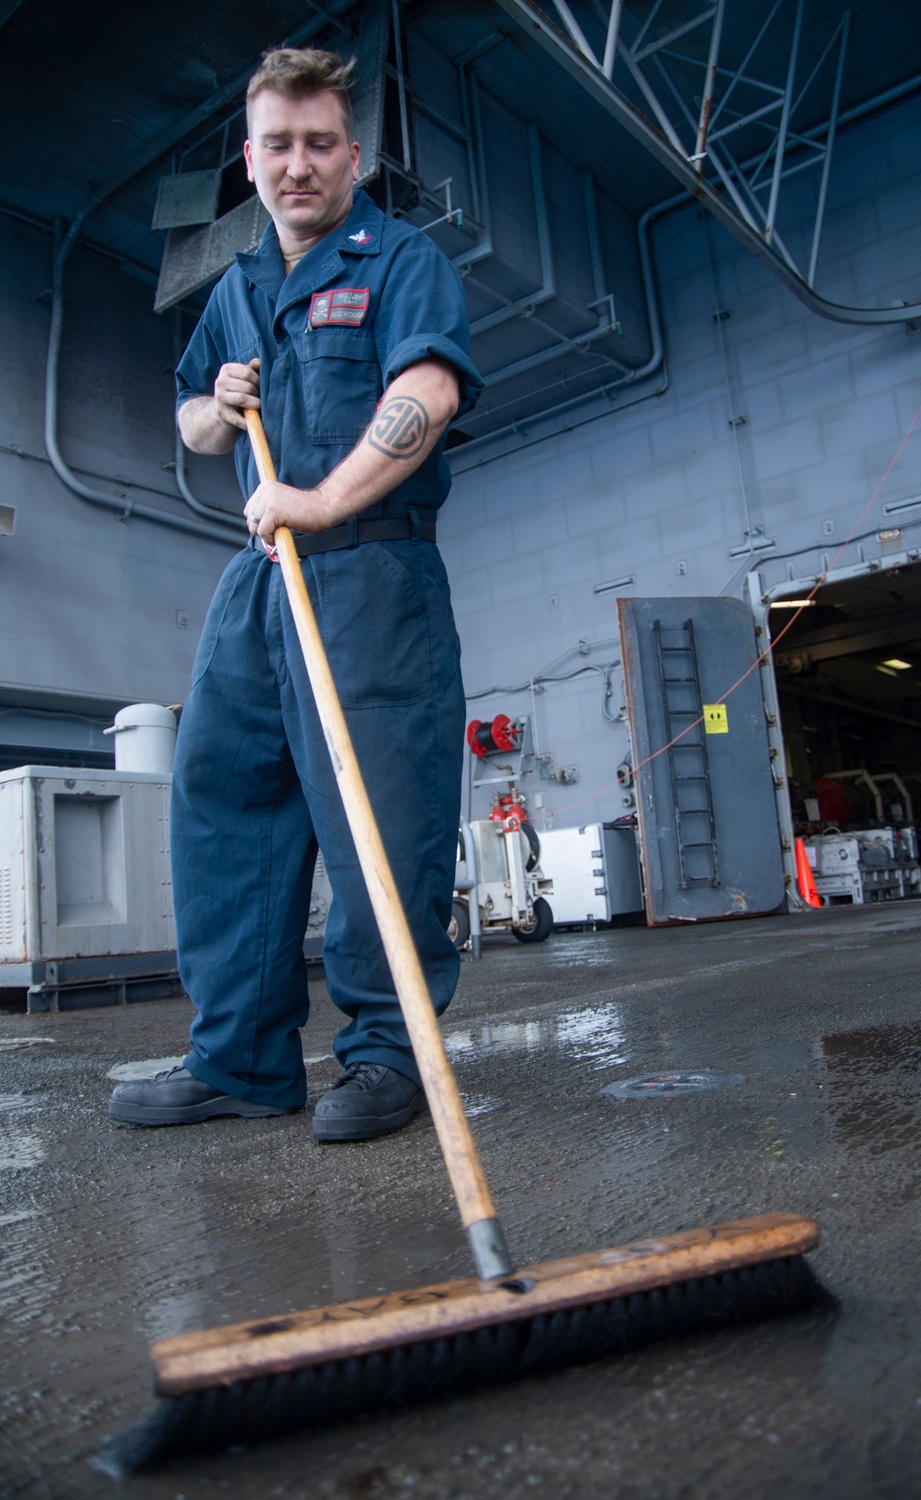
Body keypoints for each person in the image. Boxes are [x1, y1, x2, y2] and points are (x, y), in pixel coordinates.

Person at [109, 47, 481, 1142]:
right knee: (223, 802)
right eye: (278, 144)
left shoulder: (400, 258)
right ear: (250, 157)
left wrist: (320, 501)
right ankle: (240, 1060)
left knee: (381, 819)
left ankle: (383, 1054)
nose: (298, 164)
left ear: (352, 154)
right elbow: (186, 419)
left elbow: (429, 388)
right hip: (264, 581)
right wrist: (220, 410)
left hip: (372, 568)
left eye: (320, 143)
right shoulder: (236, 289)